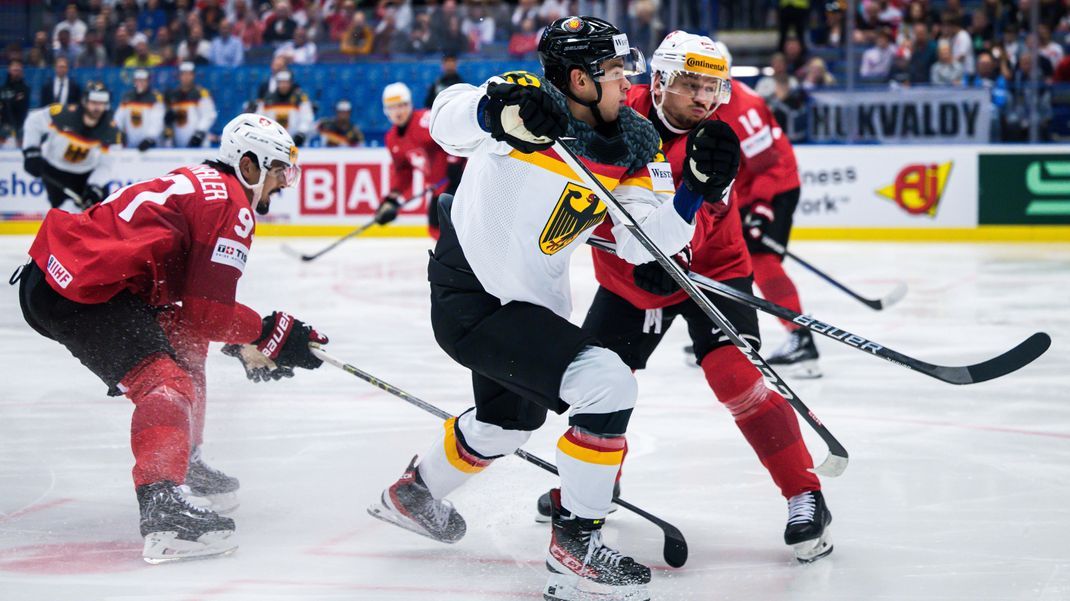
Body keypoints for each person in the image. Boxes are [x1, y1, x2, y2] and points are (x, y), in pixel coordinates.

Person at [369, 16, 737, 601]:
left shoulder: (636, 144)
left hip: (528, 305)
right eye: (615, 73)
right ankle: (576, 549)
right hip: (472, 298)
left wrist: (695, 188)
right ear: (579, 79)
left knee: (507, 423)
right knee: (609, 386)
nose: (626, 83)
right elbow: (445, 117)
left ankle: (411, 495)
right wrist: (496, 113)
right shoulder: (523, 101)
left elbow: (647, 242)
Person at [534, 31, 833, 563]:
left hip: (713, 269)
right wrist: (632, 255)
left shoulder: (715, 139)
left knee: (735, 377)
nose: (703, 98)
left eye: (712, 87)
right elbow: (591, 202)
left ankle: (805, 495)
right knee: (600, 386)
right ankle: (592, 490)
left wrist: (678, 256)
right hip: (629, 281)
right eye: (692, 84)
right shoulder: (615, 112)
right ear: (662, 81)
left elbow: (708, 221)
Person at [13, 113, 327, 564]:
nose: (282, 182)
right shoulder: (232, 205)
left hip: (67, 277)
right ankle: (165, 510)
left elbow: (198, 318)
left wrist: (243, 340)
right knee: (165, 383)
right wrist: (274, 333)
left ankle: (186, 459)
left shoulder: (200, 181)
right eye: (278, 170)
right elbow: (210, 312)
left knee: (185, 344)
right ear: (249, 164)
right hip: (82, 290)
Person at [375, 81, 460, 238]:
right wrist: (392, 199)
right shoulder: (391, 138)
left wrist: (455, 161)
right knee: (435, 229)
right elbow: (404, 171)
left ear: (410, 104)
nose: (398, 111)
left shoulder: (425, 121)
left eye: (402, 105)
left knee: (455, 227)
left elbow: (453, 133)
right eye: (392, 107)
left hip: (460, 181)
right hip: (439, 188)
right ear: (386, 111)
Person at [21, 82, 121, 210]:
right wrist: (31, 150)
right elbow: (33, 121)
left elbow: (107, 163)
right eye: (94, 102)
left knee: (102, 212)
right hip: (55, 171)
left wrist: (95, 186)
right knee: (66, 212)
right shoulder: (63, 114)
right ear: (84, 101)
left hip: (86, 174)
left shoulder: (111, 130)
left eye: (102, 103)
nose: (97, 107)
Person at [165, 62, 218, 148]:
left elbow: (209, 116)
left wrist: (199, 133)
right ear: (179, 76)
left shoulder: (201, 93)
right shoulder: (174, 95)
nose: (186, 77)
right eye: (183, 74)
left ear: (193, 76)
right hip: (178, 142)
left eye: (189, 74)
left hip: (198, 143)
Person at [255, 70, 313, 147]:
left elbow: (307, 118)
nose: (283, 85)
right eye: (281, 82)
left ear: (291, 83)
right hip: (273, 141)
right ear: (277, 83)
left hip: (295, 140)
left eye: (286, 82)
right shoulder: (268, 98)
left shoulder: (300, 98)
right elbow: (260, 117)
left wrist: (301, 132)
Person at [115, 69, 165, 152]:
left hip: (150, 147)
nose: (140, 83)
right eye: (138, 80)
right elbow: (118, 118)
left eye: (143, 80)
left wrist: (150, 138)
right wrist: (118, 133)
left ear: (148, 81)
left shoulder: (155, 98)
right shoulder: (127, 97)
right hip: (130, 145)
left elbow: (157, 122)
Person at [0, 59, 30, 138]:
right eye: (14, 68)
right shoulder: (3, 89)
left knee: (23, 132)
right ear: (9, 69)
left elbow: (22, 108)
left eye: (18, 68)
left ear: (21, 71)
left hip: (20, 125)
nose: (16, 70)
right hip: (4, 126)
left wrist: (10, 100)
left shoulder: (25, 89)